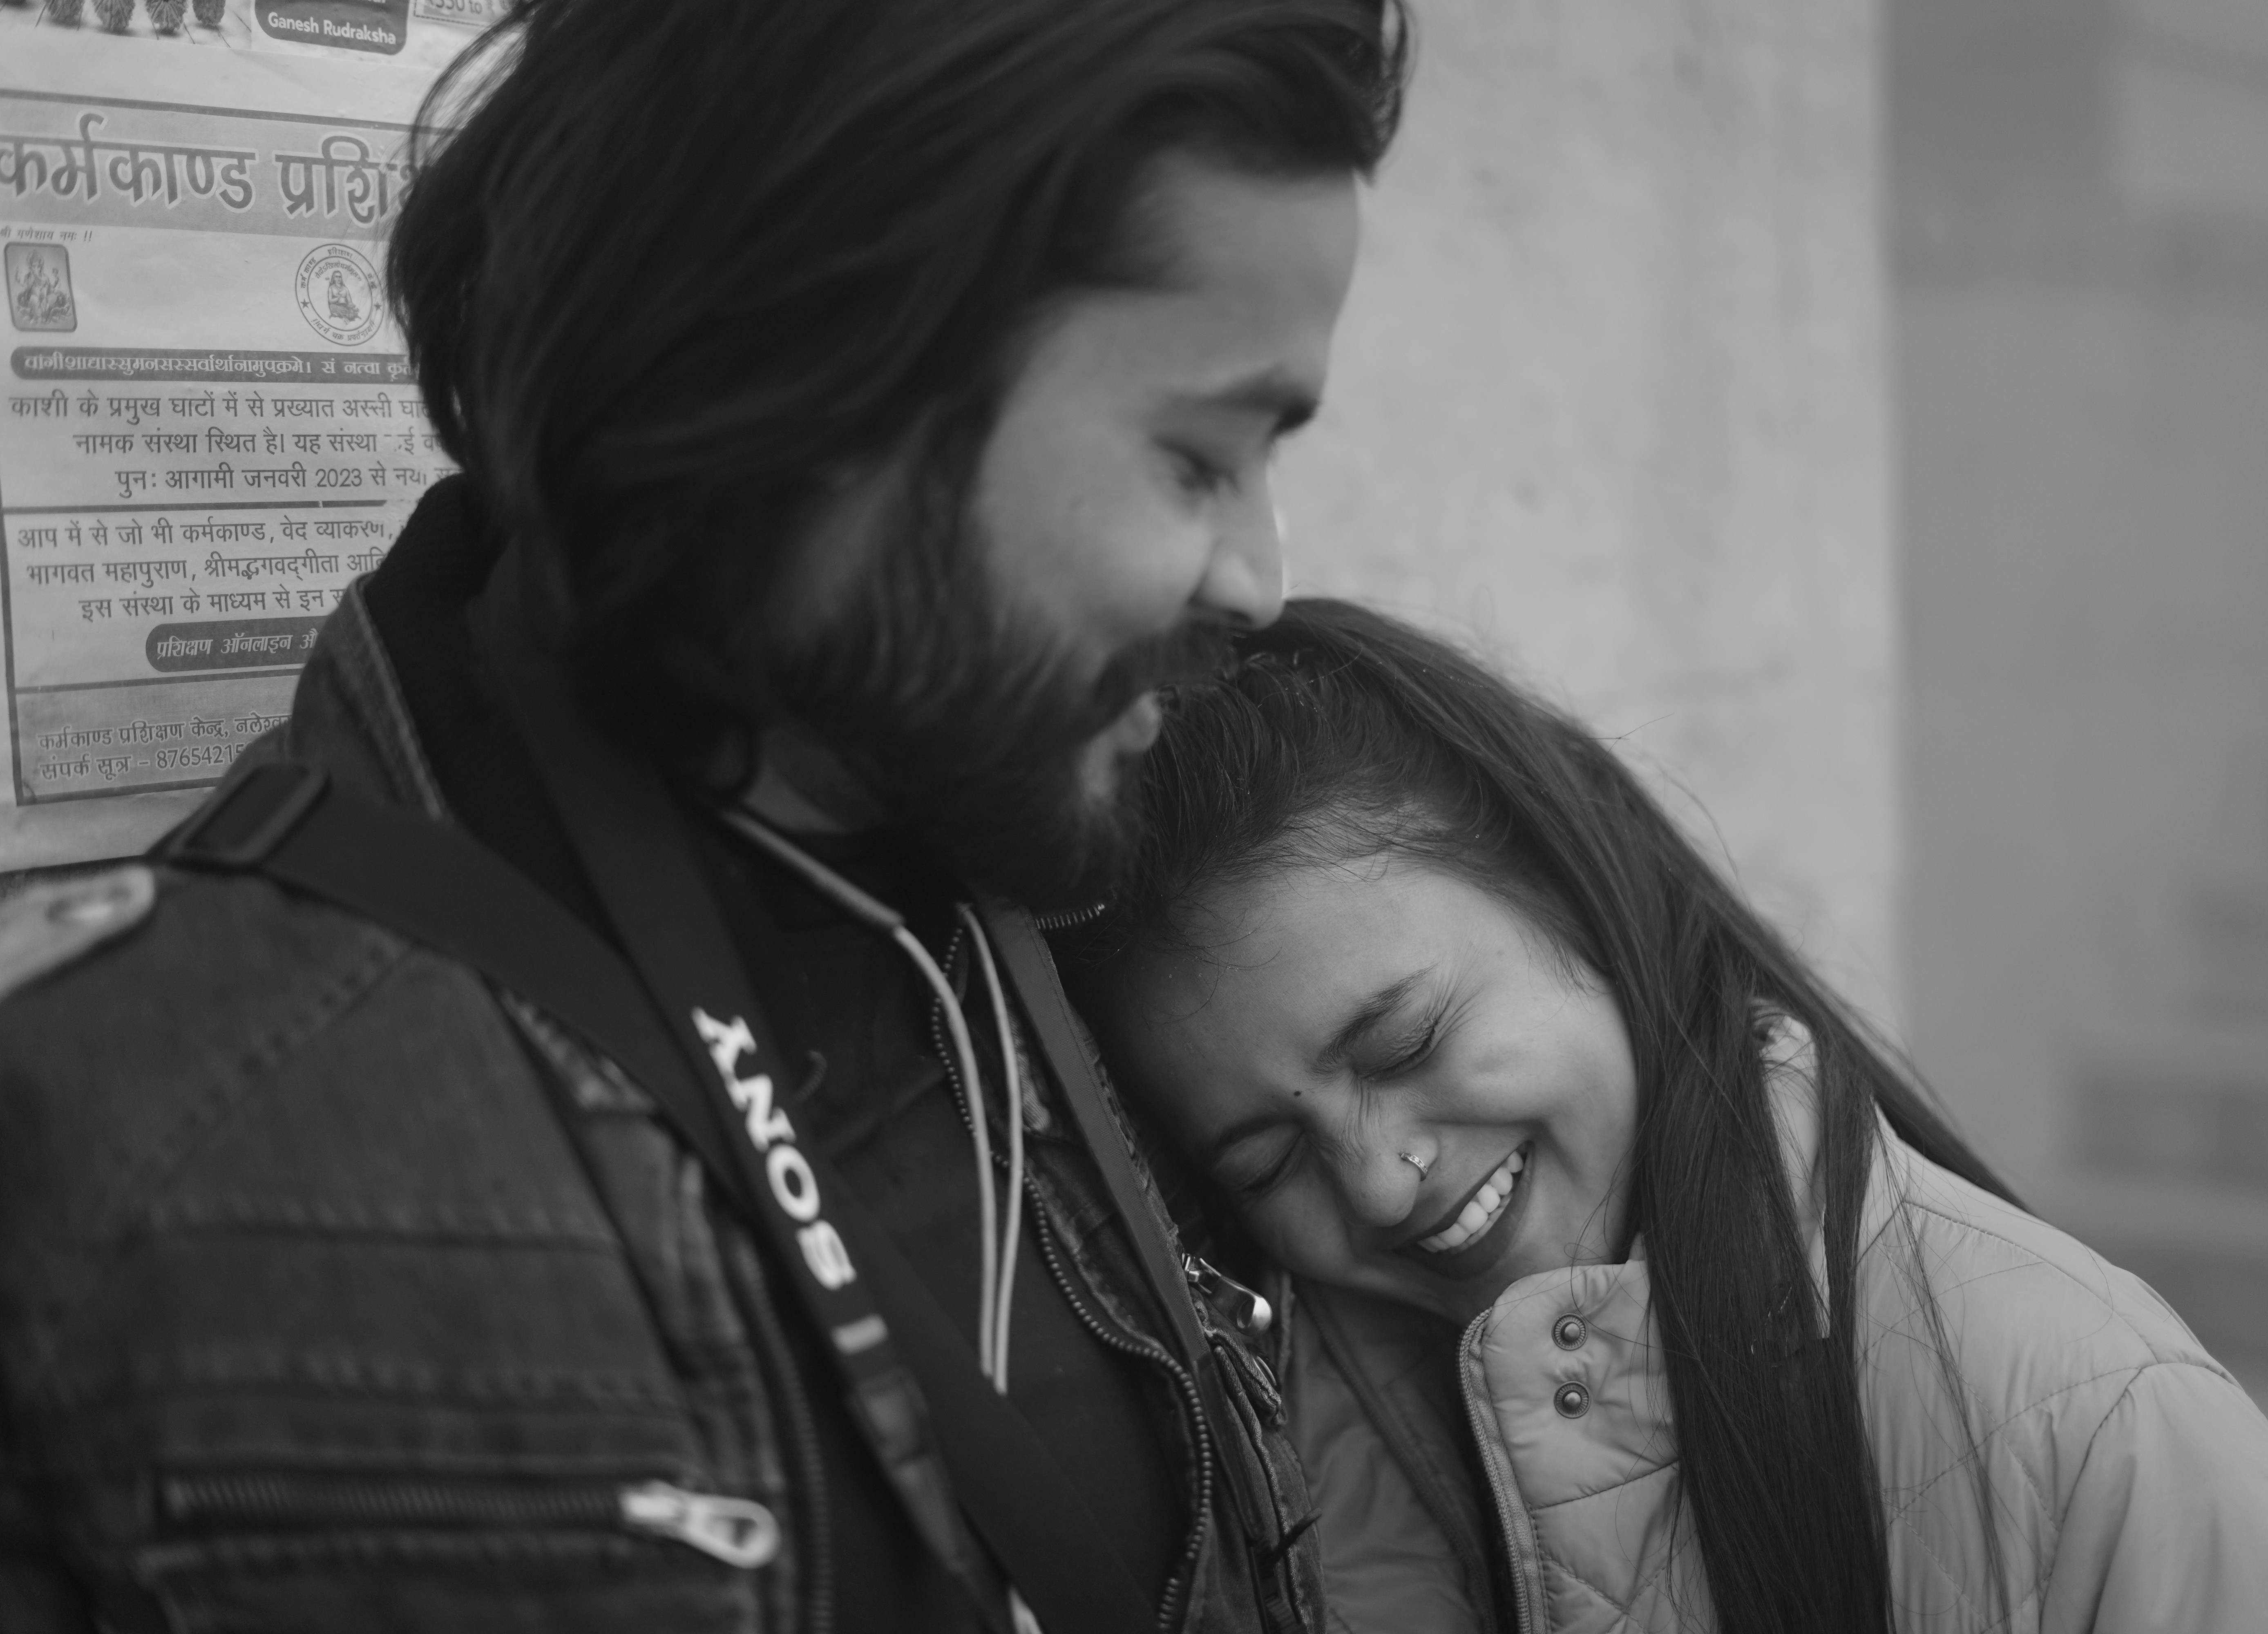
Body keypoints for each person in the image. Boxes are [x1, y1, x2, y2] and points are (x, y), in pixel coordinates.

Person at [0, 3, 1406, 1630]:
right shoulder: (142, 1169)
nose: (1261, 580)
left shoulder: (1030, 858)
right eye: (1196, 457)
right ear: (813, 396)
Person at [1059, 598, 2268, 1634]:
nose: (1381, 1179)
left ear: (1575, 883)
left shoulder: (2084, 1406)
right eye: (1269, 1156)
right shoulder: (1279, 1460)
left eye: (1407, 1041)